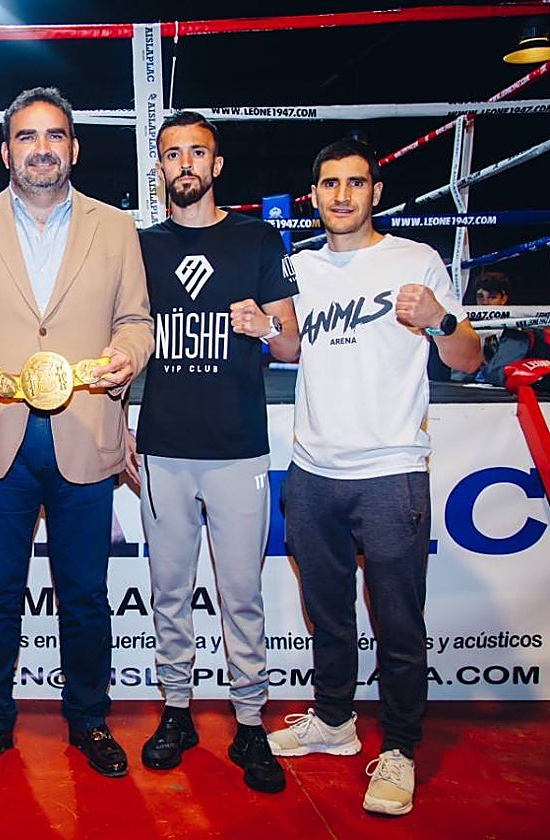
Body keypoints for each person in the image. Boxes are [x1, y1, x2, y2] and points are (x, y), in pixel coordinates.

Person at [0, 87, 153, 780]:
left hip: (87, 432)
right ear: (6, 151)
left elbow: (136, 322)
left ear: (74, 148)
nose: (43, 147)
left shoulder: (116, 227)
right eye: (28, 136)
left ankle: (88, 718)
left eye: (55, 135)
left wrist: (128, 359)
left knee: (84, 593)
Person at [267, 138, 482, 816]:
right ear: (315, 193)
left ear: (376, 192)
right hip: (312, 468)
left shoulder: (414, 260)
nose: (341, 195)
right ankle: (333, 721)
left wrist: (441, 318)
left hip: (391, 469)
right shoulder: (298, 266)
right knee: (327, 614)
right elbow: (292, 348)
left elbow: (470, 357)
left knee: (397, 621)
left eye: (355, 183)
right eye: (329, 183)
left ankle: (400, 749)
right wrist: (262, 326)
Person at [130, 111, 299, 794]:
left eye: (197, 152)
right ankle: (177, 712)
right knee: (169, 591)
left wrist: (265, 327)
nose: (185, 164)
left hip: (237, 449)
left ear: (217, 164)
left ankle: (251, 721)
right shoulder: (140, 245)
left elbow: (290, 345)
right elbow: (116, 335)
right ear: (161, 168)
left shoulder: (257, 237)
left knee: (241, 594)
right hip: (164, 448)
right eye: (172, 154)